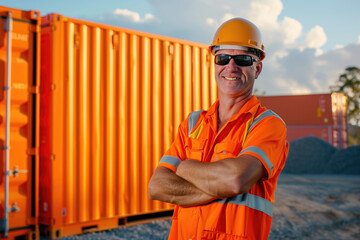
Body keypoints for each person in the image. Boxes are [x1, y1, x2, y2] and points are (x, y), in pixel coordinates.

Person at [148, 17, 289, 240]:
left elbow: (236, 180)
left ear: (258, 68)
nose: (230, 66)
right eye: (222, 58)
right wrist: (217, 186)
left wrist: (184, 168)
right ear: (215, 64)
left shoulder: (267, 124)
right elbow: (157, 186)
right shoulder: (193, 123)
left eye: (242, 59)